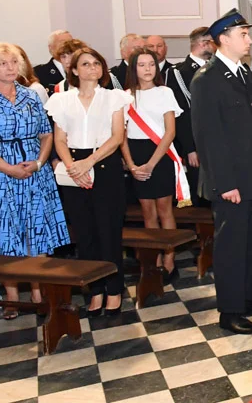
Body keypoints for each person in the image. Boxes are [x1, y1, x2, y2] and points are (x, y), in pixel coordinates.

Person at [190, 8, 252, 335]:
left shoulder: (244, 74)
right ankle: (230, 310)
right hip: (230, 180)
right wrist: (225, 183)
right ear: (223, 39)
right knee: (231, 245)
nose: (249, 40)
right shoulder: (207, 79)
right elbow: (209, 138)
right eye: (243, 35)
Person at [0, 43, 69, 319]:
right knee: (5, 232)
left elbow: (47, 134)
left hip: (34, 171)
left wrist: (38, 162)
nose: (11, 68)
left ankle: (38, 291)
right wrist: (8, 169)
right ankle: (12, 297)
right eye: (3, 63)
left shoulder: (31, 96)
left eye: (15, 62)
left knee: (37, 229)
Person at [45, 47, 132, 316]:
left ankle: (114, 290)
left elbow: (117, 137)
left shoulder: (114, 97)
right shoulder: (62, 100)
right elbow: (59, 139)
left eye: (97, 63)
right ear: (74, 69)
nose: (92, 68)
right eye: (85, 64)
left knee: (109, 233)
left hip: (104, 166)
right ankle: (95, 291)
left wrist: (89, 162)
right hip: (73, 168)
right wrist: (72, 166)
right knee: (84, 235)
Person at [121, 48, 185, 280]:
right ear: (133, 68)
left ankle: (169, 258)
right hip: (136, 155)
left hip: (160, 154)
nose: (147, 69)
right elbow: (122, 135)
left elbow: (170, 132)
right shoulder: (125, 96)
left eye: (151, 64)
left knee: (164, 209)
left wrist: (151, 164)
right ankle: (153, 259)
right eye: (142, 65)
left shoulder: (165, 92)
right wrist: (131, 164)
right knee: (147, 212)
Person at [168, 27, 216, 208]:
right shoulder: (179, 73)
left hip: (218, 141)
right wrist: (190, 148)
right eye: (213, 42)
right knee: (201, 193)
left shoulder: (216, 68)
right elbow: (182, 114)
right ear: (203, 44)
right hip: (196, 144)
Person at [34, 30, 73, 96]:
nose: (67, 46)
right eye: (63, 42)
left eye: (71, 42)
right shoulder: (38, 73)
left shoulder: (82, 70)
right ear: (50, 47)